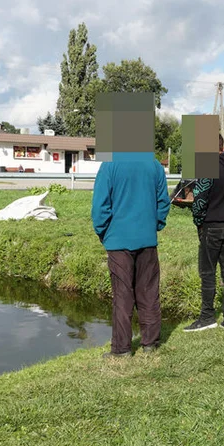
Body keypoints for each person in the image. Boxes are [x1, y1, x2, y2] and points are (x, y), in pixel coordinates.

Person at [91, 153, 170, 357]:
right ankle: (150, 343)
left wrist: (104, 232)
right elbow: (163, 202)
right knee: (149, 292)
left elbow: (100, 206)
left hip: (118, 240)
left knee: (123, 296)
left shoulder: (109, 164)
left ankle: (121, 349)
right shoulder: (154, 165)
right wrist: (155, 225)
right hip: (147, 239)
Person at [186, 135, 224, 332]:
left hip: (211, 225)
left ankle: (207, 317)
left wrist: (198, 221)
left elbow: (200, 200)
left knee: (208, 272)